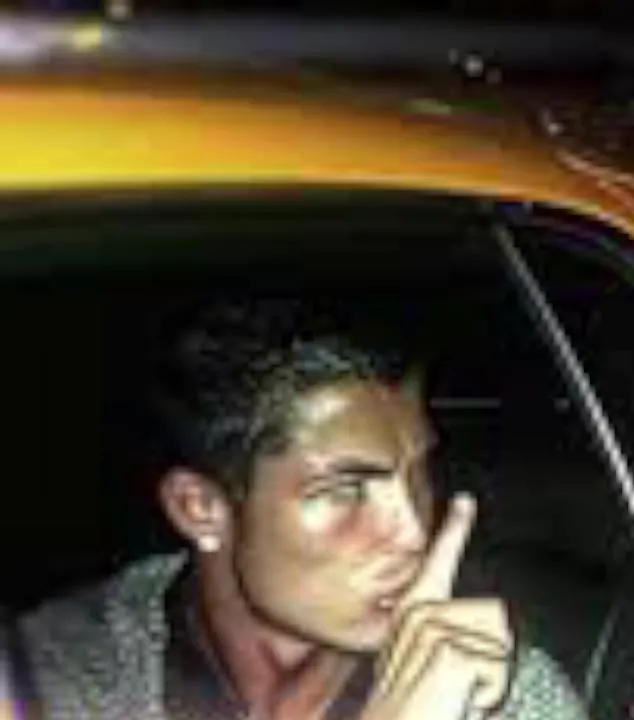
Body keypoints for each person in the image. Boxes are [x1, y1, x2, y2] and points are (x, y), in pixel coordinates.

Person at [15, 299, 589, 720]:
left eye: (419, 474)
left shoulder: (498, 693)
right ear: (201, 509)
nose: (414, 531)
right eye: (346, 489)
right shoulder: (56, 676)